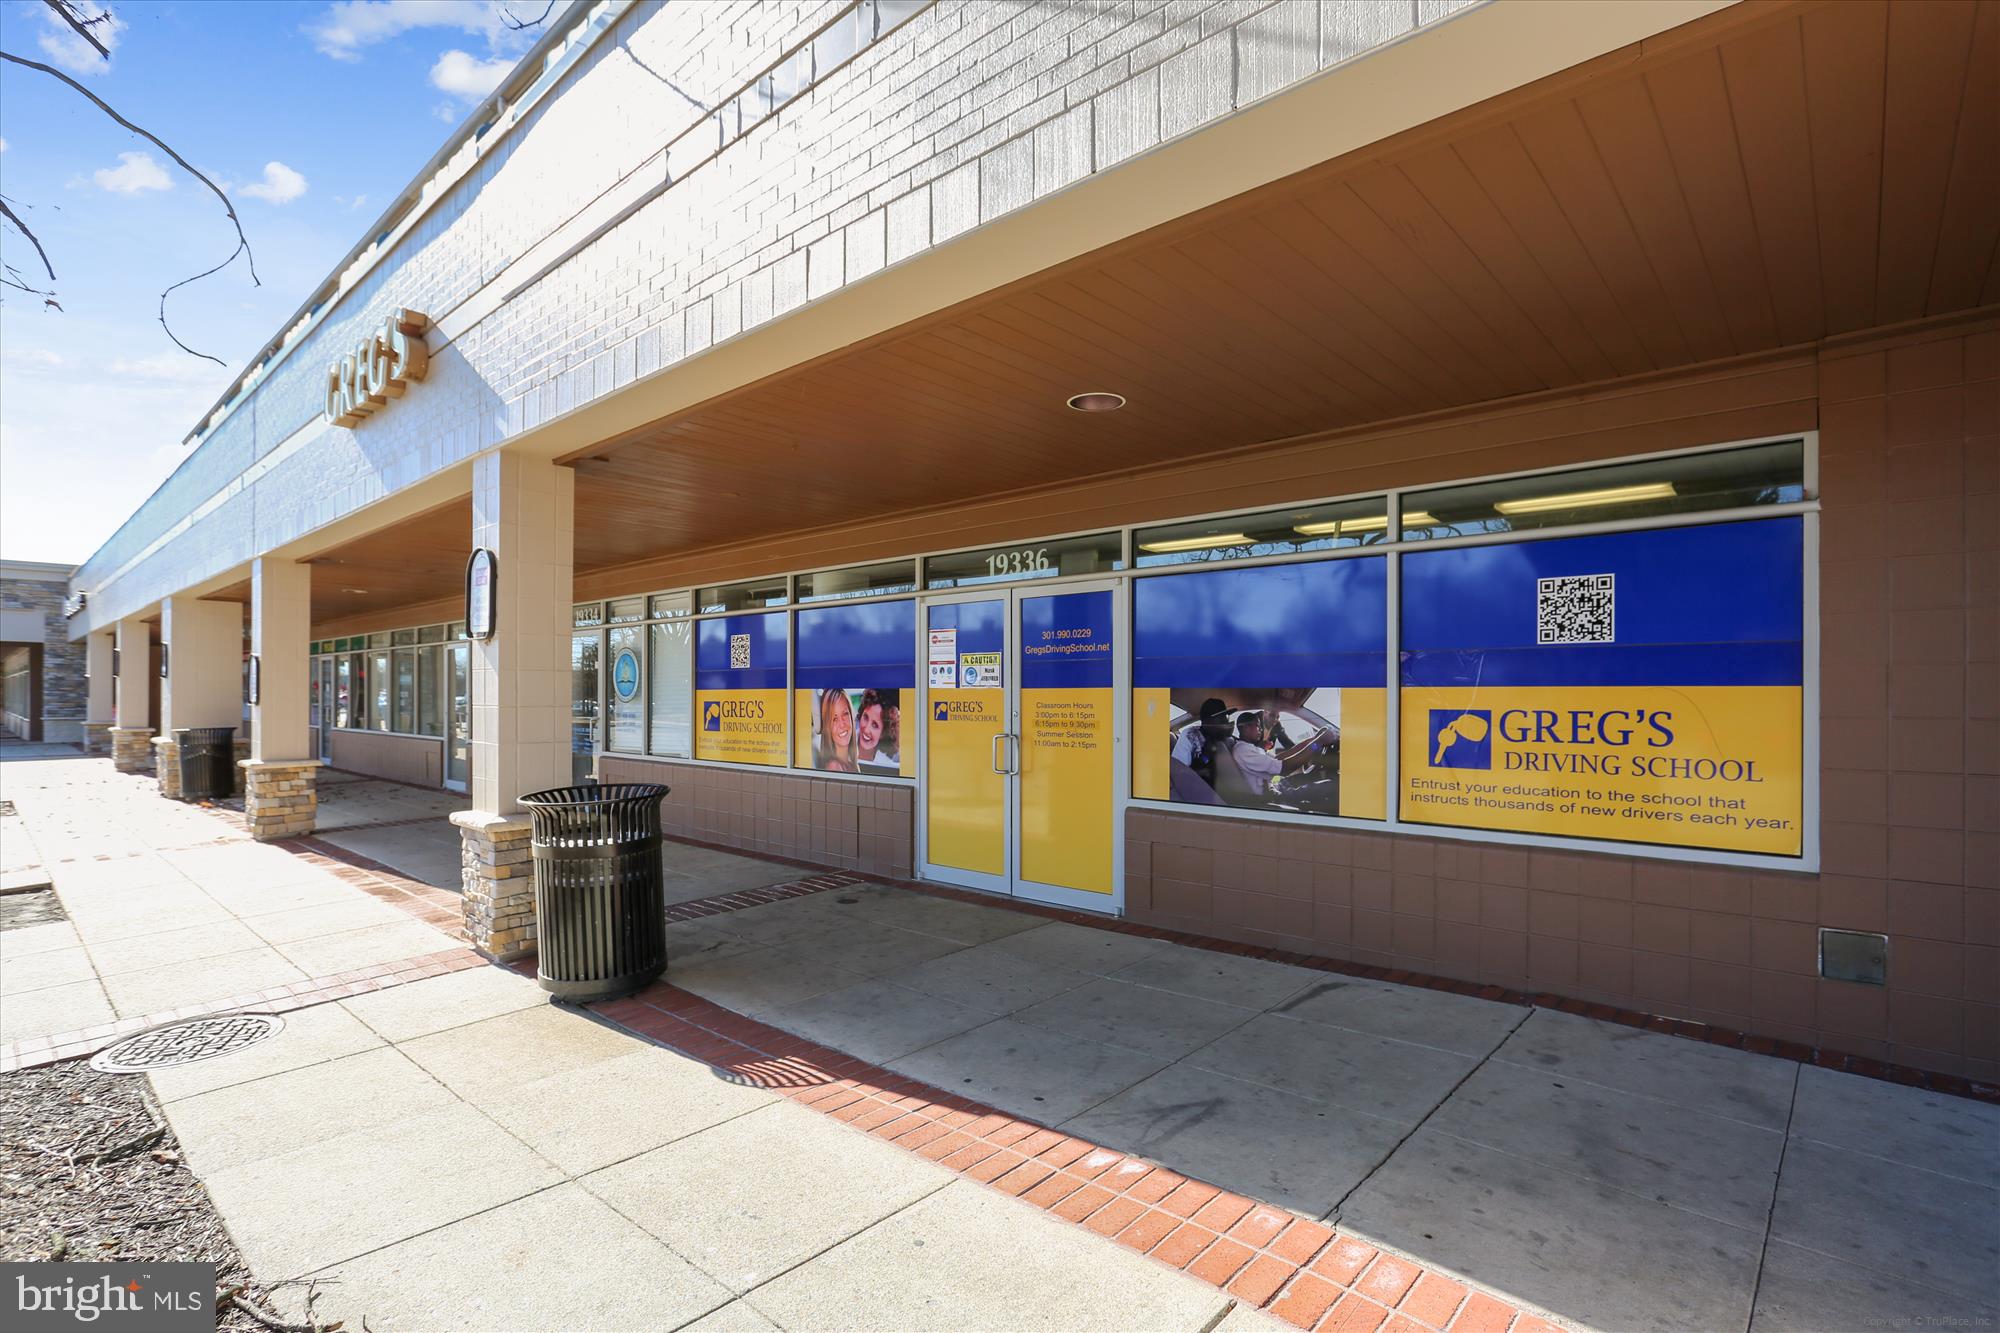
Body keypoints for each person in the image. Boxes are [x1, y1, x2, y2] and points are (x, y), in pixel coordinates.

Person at [1226, 709, 1327, 793]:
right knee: (1324, 788)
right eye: (1257, 725)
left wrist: (1312, 741)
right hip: (1271, 797)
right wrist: (1317, 744)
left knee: (1313, 781)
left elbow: (1278, 758)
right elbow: (1284, 768)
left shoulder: (1252, 748)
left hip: (1277, 784)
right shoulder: (1244, 751)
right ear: (1246, 728)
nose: (1260, 729)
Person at [1171, 697, 1230, 775]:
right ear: (1207, 721)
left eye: (1226, 718)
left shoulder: (1224, 738)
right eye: (1221, 718)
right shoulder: (1190, 735)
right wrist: (1205, 757)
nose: (1225, 722)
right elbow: (1179, 773)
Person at [855, 688, 899, 767]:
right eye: (865, 717)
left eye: (875, 725)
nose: (866, 729)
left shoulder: (887, 766)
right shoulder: (840, 745)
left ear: (883, 732)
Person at [817, 689, 857, 771]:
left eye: (845, 714)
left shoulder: (851, 765)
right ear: (827, 727)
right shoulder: (834, 767)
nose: (842, 724)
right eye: (834, 719)